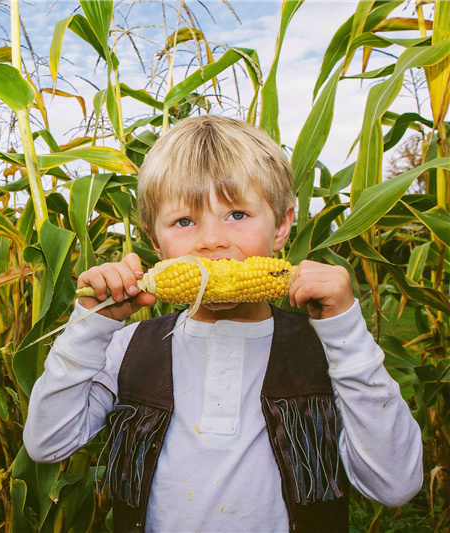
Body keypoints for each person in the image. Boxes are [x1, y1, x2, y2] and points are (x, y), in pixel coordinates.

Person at [22, 115, 423, 533]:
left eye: (237, 214)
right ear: (154, 241)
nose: (211, 240)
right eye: (184, 221)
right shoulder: (126, 347)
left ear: (282, 225)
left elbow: (394, 485)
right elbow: (48, 443)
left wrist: (345, 333)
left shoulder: (326, 349)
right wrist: (90, 325)